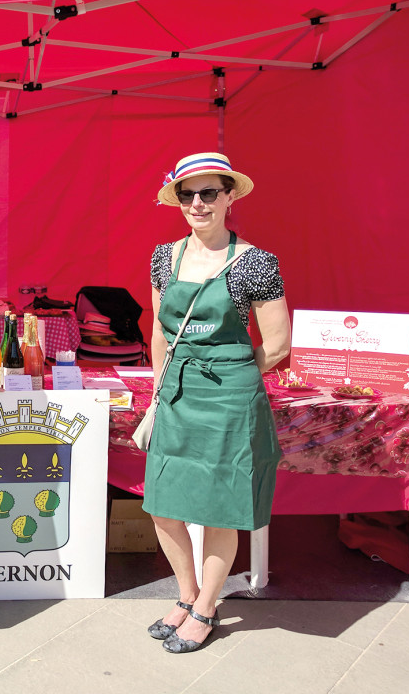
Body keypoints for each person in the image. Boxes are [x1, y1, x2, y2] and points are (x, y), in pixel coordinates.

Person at [143, 152, 290, 654]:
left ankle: (206, 607)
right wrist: (160, 388)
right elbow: (159, 333)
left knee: (219, 510)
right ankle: (186, 596)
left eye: (209, 193)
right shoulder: (164, 257)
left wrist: (231, 374)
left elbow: (277, 345)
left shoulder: (256, 262)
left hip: (230, 398)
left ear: (229, 197)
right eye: (188, 194)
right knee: (163, 507)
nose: (198, 203)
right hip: (176, 393)